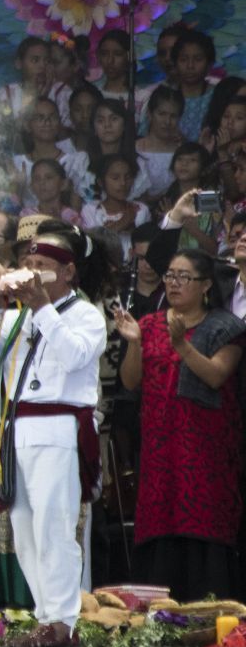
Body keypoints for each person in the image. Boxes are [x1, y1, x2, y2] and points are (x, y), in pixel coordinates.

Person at [0, 229, 108, 647]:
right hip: (16, 428)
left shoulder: (85, 314)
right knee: (23, 528)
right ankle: (46, 616)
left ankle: (64, 621)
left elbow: (75, 355)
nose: (34, 274)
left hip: (59, 425)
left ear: (67, 271)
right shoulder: (17, 315)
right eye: (31, 265)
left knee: (54, 526)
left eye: (43, 267)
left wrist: (42, 308)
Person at [116, 248, 244, 599]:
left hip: (205, 448)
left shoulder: (225, 327)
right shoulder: (149, 324)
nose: (173, 283)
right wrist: (134, 344)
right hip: (159, 447)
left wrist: (181, 346)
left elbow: (217, 375)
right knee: (160, 524)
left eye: (183, 277)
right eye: (170, 275)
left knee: (203, 525)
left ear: (204, 286)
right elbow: (130, 382)